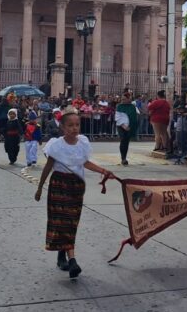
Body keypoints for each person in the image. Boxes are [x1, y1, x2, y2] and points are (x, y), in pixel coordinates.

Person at [34, 111, 116, 279]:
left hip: (76, 186)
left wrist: (104, 171)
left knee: (71, 222)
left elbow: (85, 163)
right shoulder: (56, 145)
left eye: (77, 125)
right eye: (70, 125)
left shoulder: (83, 143)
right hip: (58, 185)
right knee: (61, 221)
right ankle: (71, 260)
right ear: (63, 127)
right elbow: (48, 167)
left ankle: (62, 255)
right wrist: (40, 187)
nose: (74, 128)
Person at [115, 91, 139, 166]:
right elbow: (118, 117)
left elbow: (135, 116)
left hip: (129, 127)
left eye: (124, 99)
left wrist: (131, 127)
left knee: (126, 142)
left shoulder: (132, 106)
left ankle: (125, 157)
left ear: (129, 99)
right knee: (123, 140)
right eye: (122, 99)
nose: (123, 101)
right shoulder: (119, 106)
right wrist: (124, 126)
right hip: (121, 126)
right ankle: (123, 159)